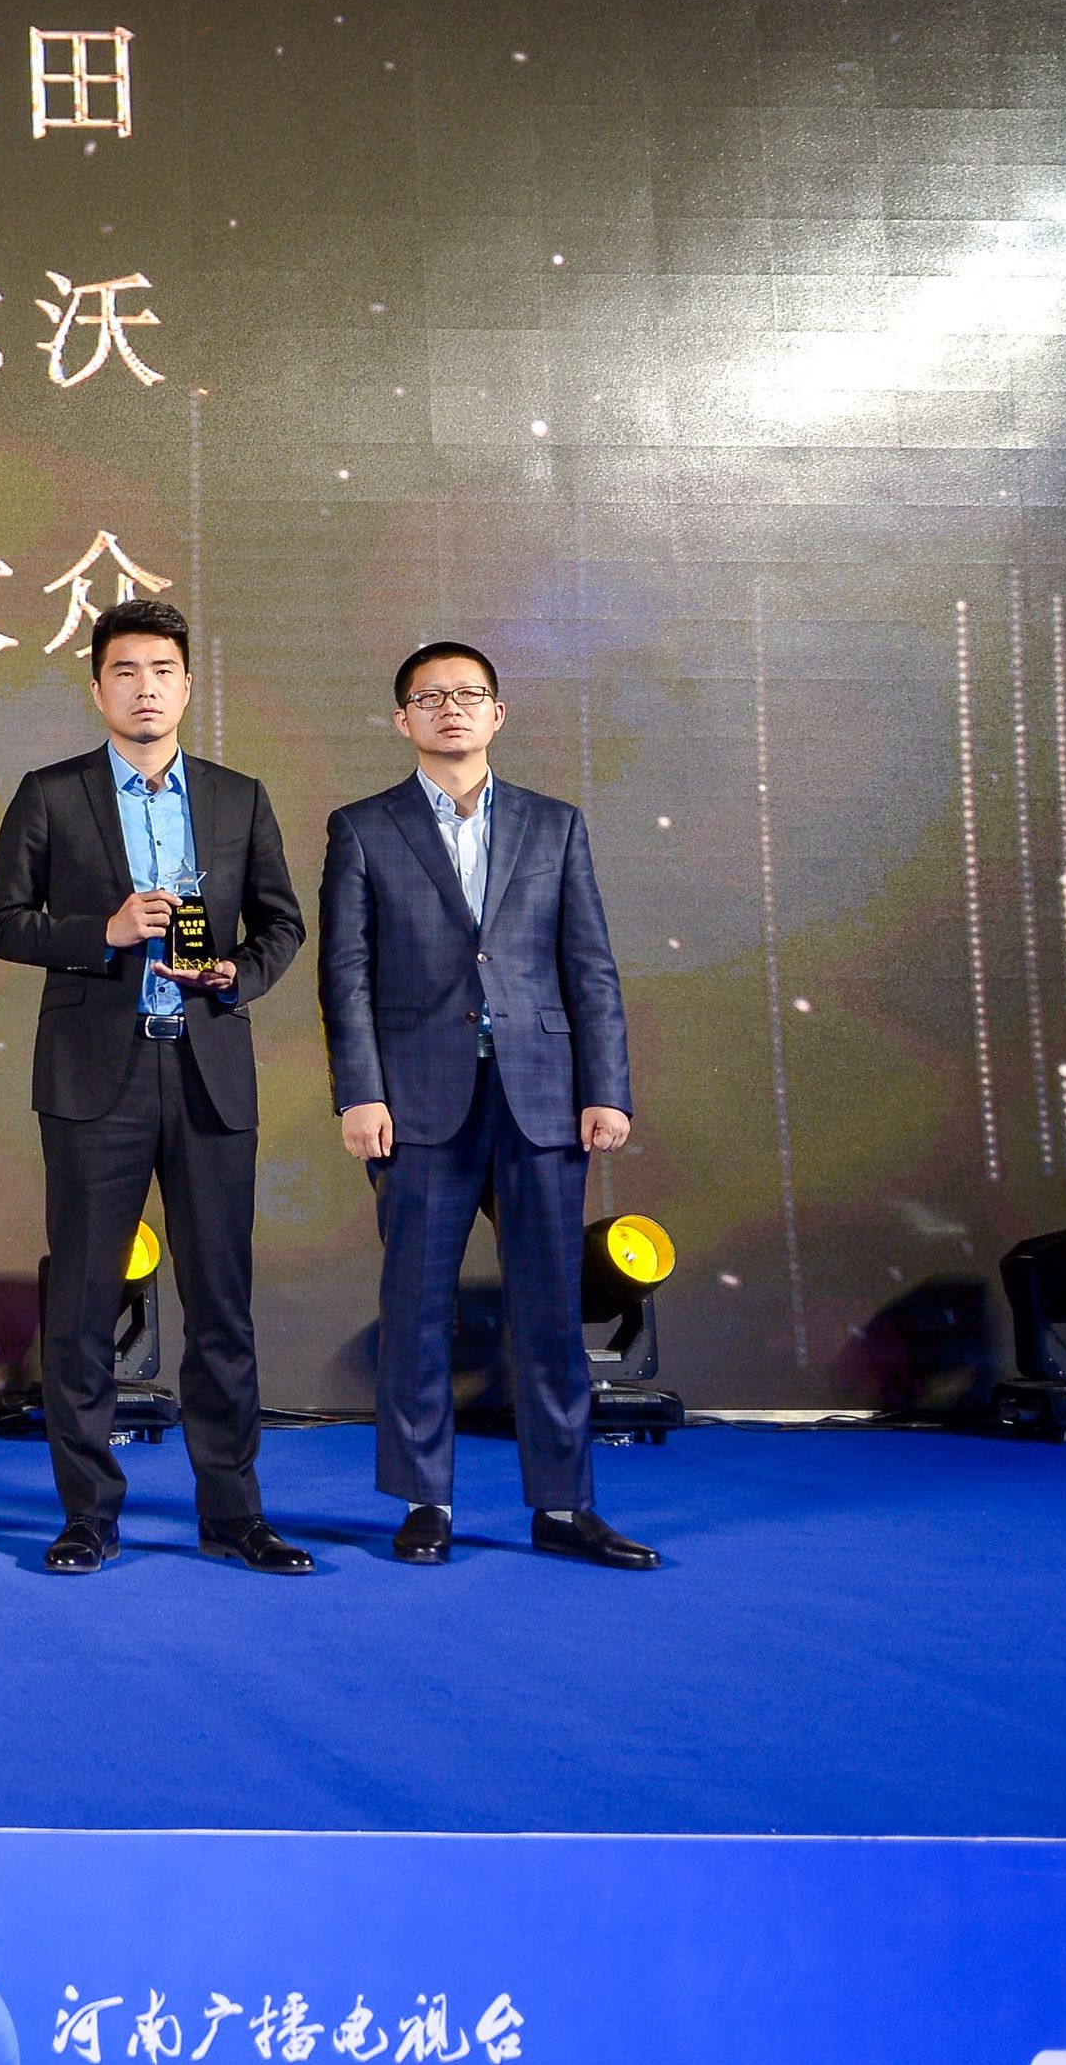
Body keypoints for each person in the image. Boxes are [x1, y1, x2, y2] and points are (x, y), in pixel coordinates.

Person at [0, 598, 311, 1576]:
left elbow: (283, 925)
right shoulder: (52, 793)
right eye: (124, 671)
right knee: (84, 1304)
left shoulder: (237, 797)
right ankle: (89, 1514)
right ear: (97, 688)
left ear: (188, 685)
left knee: (222, 1305)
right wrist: (106, 932)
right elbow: (3, 922)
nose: (145, 687)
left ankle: (234, 1514)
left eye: (162, 670)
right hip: (96, 1076)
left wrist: (236, 976)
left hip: (209, 1072)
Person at [318, 640, 654, 1568]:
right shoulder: (363, 828)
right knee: (416, 1310)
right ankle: (425, 1500)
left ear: (497, 714)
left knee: (551, 1312)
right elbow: (345, 977)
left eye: (469, 694)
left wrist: (606, 1089)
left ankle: (565, 1508)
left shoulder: (555, 824)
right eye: (431, 697)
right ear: (403, 720)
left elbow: (590, 967)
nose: (451, 708)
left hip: (542, 1099)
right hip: (415, 1103)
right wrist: (360, 1092)